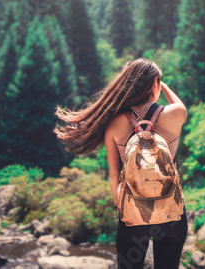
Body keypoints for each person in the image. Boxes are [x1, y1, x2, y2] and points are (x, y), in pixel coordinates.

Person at [54, 58, 188, 269]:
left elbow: (114, 175)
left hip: (134, 211)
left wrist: (122, 208)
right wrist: (164, 86)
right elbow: (179, 105)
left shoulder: (114, 124)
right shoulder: (175, 114)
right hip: (169, 209)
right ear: (155, 83)